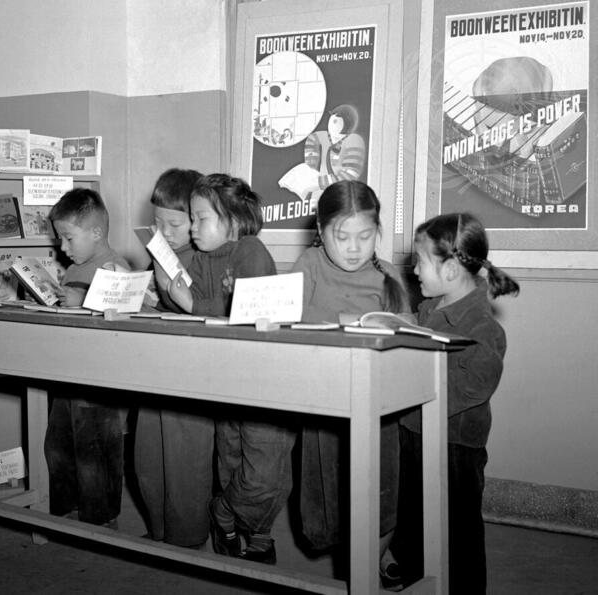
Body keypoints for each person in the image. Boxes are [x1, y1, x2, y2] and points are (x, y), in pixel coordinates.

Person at [167, 173, 293, 564]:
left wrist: (191, 306)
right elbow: (196, 316)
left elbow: (249, 310)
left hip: (263, 381)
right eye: (191, 217)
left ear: (234, 222)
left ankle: (224, 511)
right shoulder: (203, 258)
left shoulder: (250, 249)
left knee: (264, 470)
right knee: (232, 459)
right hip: (225, 377)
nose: (191, 226)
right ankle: (257, 534)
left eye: (200, 218)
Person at [290, 180, 409, 588]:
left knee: (380, 491)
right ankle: (353, 559)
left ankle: (371, 560)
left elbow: (408, 334)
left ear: (378, 232)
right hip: (326, 398)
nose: (354, 248)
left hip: (379, 406)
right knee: (329, 498)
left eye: (365, 236)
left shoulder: (387, 274)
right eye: (342, 237)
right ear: (320, 232)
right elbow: (291, 322)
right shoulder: (309, 264)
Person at [395, 212, 519, 594]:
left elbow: (473, 386)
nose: (414, 269)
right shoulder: (432, 308)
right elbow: (416, 335)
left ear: (450, 268)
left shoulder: (482, 326)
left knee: (458, 533)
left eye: (420, 260)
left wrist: (411, 383)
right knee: (411, 522)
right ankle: (417, 576)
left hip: (454, 447)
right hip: (414, 431)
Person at [134, 168, 215, 548]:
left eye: (175, 223)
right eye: (157, 223)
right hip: (156, 361)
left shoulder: (205, 258)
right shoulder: (162, 253)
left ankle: (186, 536)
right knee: (147, 453)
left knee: (186, 457)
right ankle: (158, 527)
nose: (163, 232)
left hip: (191, 366)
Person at [43, 187, 130, 527]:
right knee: (59, 448)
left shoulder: (114, 267)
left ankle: (102, 517)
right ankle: (65, 508)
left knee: (96, 452)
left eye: (67, 238)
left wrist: (84, 301)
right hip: (68, 375)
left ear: (95, 233)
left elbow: (123, 325)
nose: (62, 248)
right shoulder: (77, 267)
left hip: (98, 383)